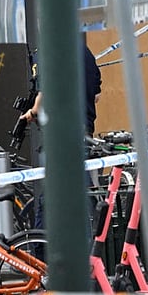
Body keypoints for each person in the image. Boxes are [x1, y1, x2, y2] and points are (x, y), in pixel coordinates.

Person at [23, 40, 103, 230]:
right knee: (81, 190)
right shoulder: (84, 50)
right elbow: (97, 94)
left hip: (61, 134)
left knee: (50, 199)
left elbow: (44, 91)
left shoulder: (48, 49)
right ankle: (98, 237)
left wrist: (32, 112)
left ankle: (41, 253)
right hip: (83, 128)